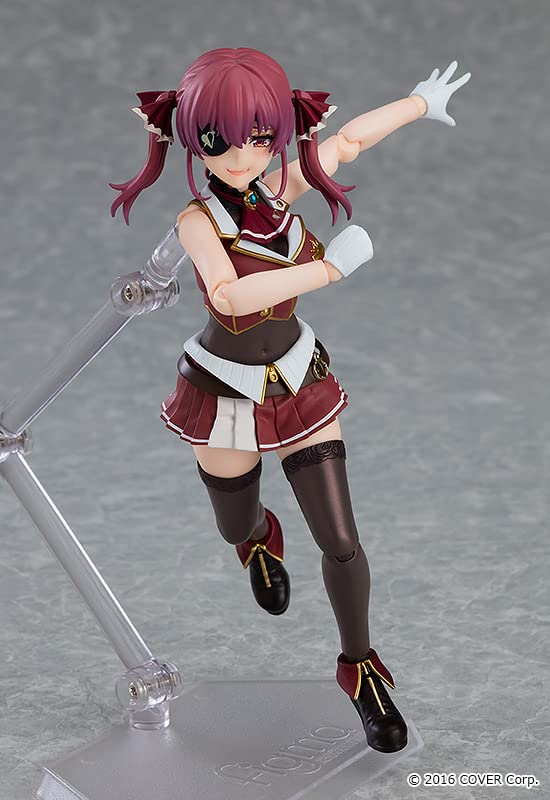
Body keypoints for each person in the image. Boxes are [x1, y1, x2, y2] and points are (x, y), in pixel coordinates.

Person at [110, 47, 470, 753]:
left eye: (257, 137)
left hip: (298, 381)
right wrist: (327, 270)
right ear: (193, 138)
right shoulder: (197, 221)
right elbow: (228, 296)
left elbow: (348, 142)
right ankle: (257, 539)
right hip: (225, 389)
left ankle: (360, 668)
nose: (241, 156)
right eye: (218, 140)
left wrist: (419, 104)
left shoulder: (277, 191)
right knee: (233, 521)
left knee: (341, 540)